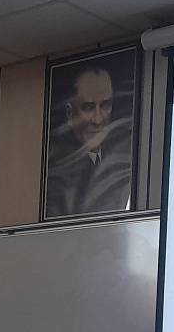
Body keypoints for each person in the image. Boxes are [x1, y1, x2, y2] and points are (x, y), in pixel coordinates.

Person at [44, 63, 134, 220]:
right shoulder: (56, 174)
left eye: (105, 105)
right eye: (88, 107)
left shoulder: (125, 160)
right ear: (69, 113)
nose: (98, 119)